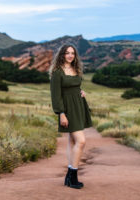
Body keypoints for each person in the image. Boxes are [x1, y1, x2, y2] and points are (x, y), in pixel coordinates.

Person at [49, 44, 92, 189]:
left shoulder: (76, 69)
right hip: (67, 110)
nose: (70, 55)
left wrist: (81, 91)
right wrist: (61, 113)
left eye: (72, 53)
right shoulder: (57, 72)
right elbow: (56, 96)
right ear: (62, 54)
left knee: (73, 142)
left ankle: (69, 177)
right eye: (67, 53)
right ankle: (72, 175)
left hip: (79, 106)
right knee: (81, 141)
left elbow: (75, 86)